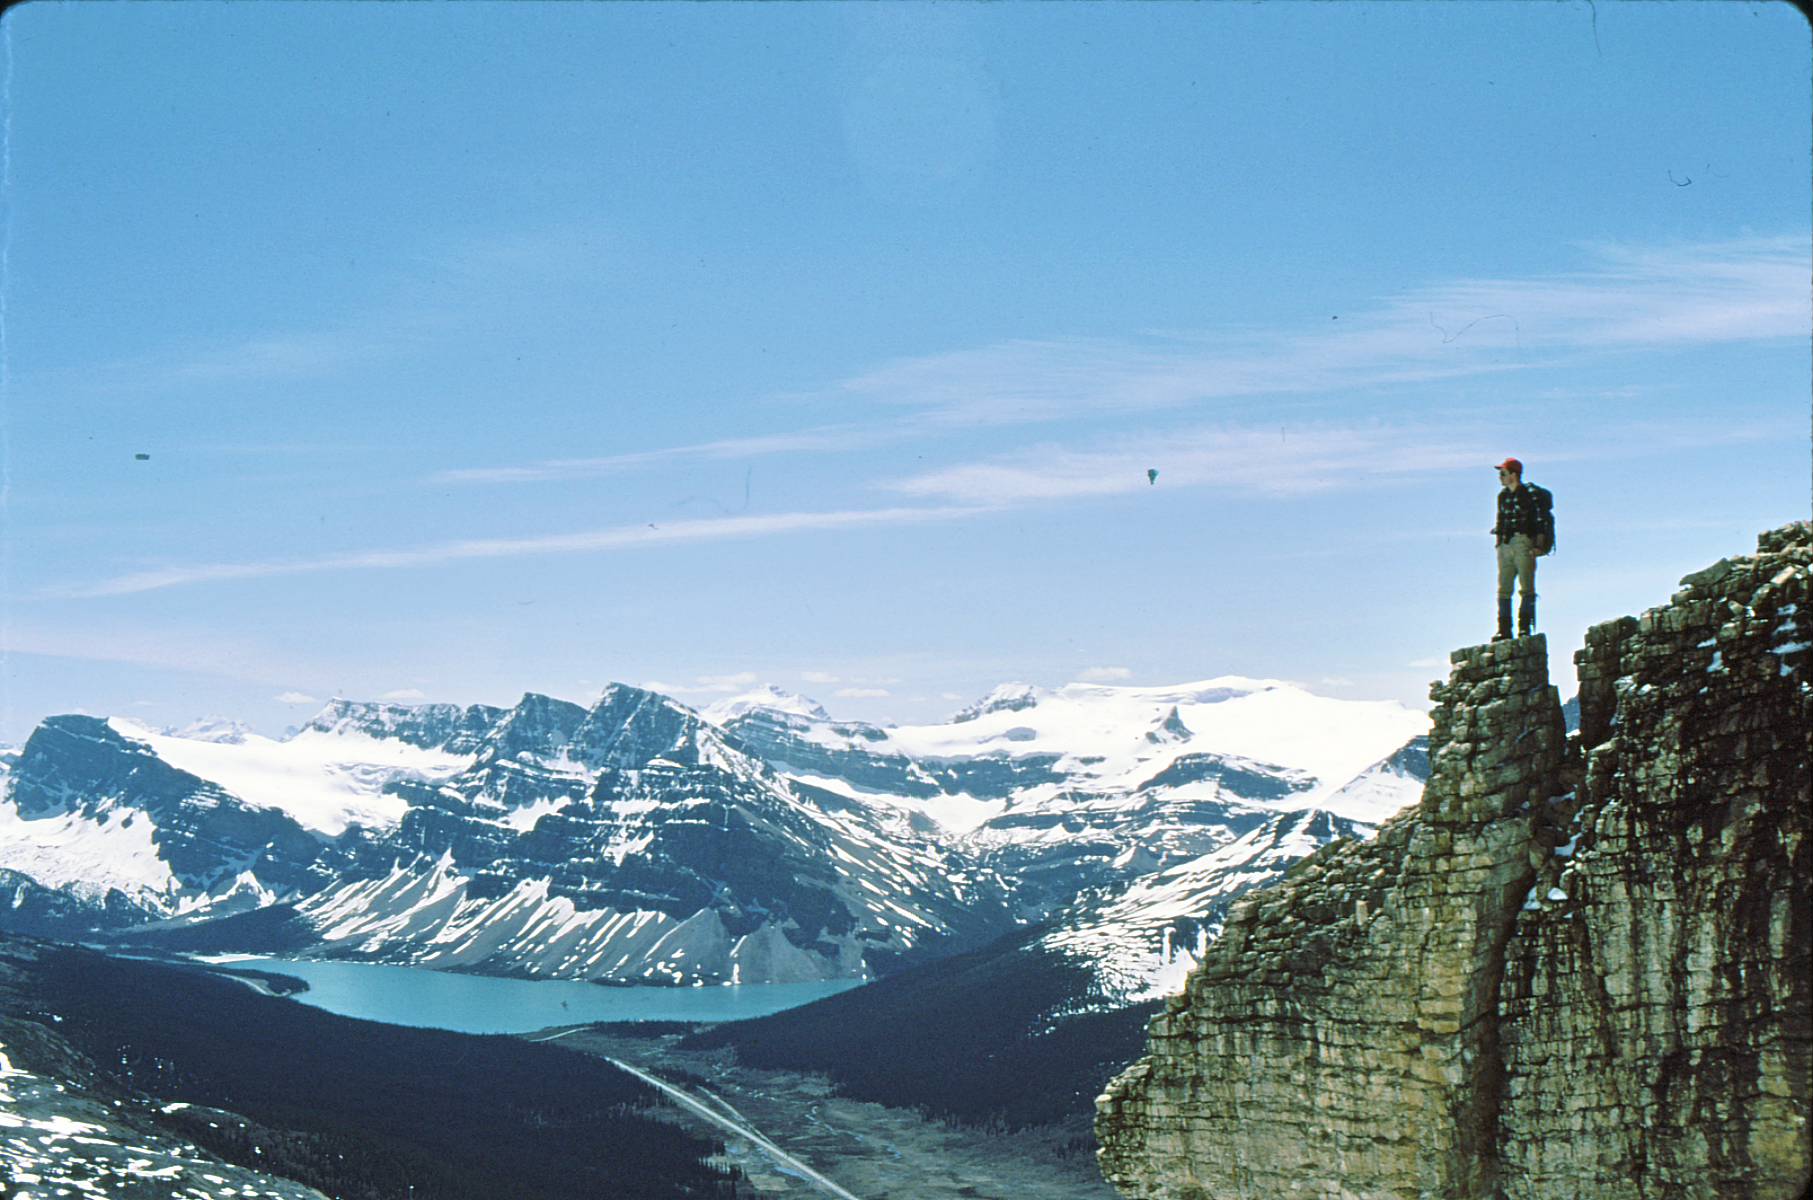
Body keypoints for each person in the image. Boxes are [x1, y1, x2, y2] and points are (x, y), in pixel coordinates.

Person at [1492, 457, 1553, 641]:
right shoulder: (1502, 496)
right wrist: (1499, 544)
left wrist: (1538, 546)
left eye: (1503, 473)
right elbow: (1500, 519)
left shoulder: (1529, 494)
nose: (1500, 477)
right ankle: (1504, 630)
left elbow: (1540, 521)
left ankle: (1524, 628)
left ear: (1513, 475)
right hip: (1505, 544)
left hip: (1523, 542)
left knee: (1526, 587)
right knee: (1504, 588)